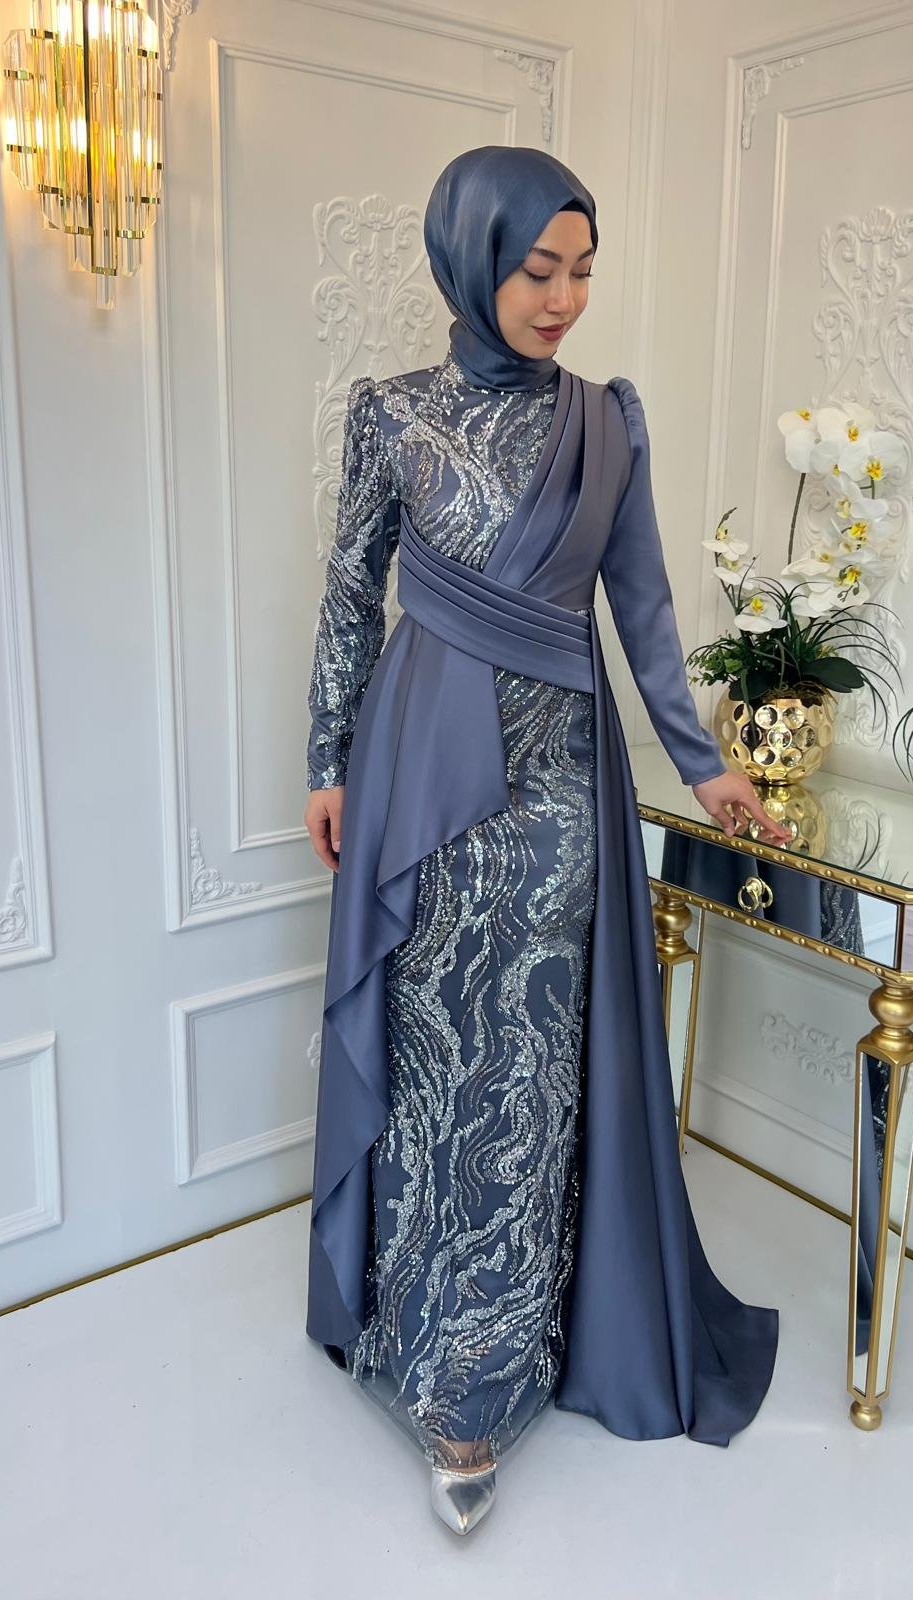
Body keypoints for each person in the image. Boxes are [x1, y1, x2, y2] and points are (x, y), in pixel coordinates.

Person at [302, 144, 785, 1537]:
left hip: (561, 784)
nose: (564, 299)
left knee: (525, 1069)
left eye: (582, 271)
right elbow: (349, 593)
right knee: (430, 1058)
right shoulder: (391, 413)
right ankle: (409, 1327)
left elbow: (643, 608)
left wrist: (703, 765)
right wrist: (327, 762)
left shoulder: (606, 422)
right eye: (537, 270)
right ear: (471, 261)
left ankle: (485, 1380)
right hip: (414, 775)